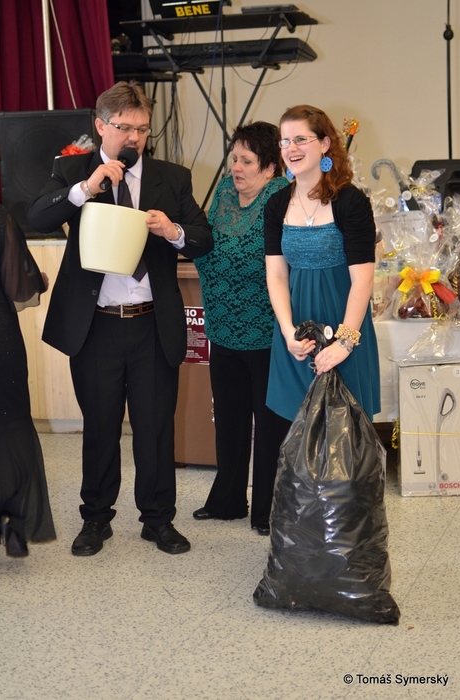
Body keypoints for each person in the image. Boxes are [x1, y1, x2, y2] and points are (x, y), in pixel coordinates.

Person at [27, 81, 213, 557]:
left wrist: (173, 230)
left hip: (152, 324)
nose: (134, 137)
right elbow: (38, 216)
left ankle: (158, 520)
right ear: (100, 126)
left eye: (142, 129)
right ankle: (95, 519)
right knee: (100, 427)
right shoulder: (72, 170)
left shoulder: (172, 177)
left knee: (155, 428)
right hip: (96, 325)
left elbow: (203, 238)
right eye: (124, 127)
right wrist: (86, 188)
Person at [192, 122, 290, 536]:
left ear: (269, 168)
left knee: (269, 427)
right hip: (222, 327)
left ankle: (267, 510)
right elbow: (208, 243)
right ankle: (228, 500)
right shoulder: (225, 195)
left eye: (247, 161)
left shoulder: (283, 198)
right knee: (229, 420)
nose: (236, 167)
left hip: (267, 332)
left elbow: (277, 263)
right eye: (234, 158)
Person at [264, 104, 380, 427]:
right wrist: (288, 332)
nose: (291, 149)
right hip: (296, 337)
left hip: (345, 331)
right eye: (285, 141)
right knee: (297, 439)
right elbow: (276, 274)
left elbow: (363, 281)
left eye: (301, 139)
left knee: (345, 438)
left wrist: (344, 343)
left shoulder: (351, 202)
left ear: (325, 144)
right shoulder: (276, 205)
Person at [0, 203, 56, 557]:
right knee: (12, 425)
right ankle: (14, 520)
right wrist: (40, 281)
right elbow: (19, 288)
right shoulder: (0, 218)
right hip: (0, 343)